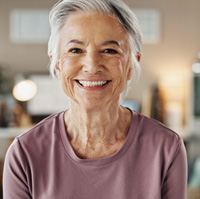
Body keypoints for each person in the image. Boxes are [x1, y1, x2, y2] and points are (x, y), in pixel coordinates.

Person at [3, 0, 187, 198]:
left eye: (109, 50)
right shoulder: (24, 153)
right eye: (75, 50)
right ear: (57, 63)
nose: (91, 66)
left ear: (131, 66)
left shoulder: (167, 148)